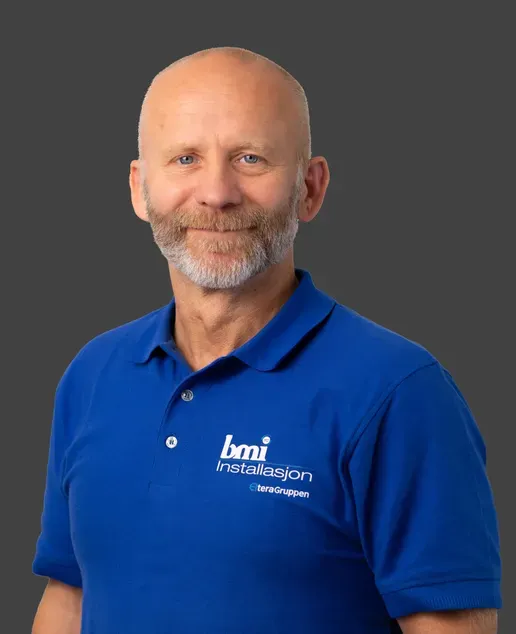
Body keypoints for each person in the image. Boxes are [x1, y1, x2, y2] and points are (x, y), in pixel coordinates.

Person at [31, 46, 502, 634]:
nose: (217, 192)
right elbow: (69, 599)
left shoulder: (398, 392)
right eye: (184, 158)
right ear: (139, 187)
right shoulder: (93, 374)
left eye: (250, 158)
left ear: (310, 188)